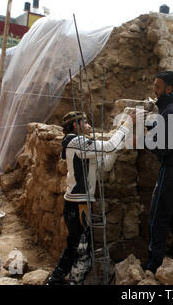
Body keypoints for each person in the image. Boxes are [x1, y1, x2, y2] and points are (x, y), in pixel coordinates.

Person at [47, 110, 136, 285]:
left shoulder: (83, 147)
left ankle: (56, 279)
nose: (88, 126)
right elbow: (109, 146)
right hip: (77, 205)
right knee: (81, 251)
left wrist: (120, 145)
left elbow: (106, 165)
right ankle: (69, 281)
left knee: (76, 246)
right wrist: (127, 124)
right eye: (85, 122)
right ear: (76, 125)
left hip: (79, 205)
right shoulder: (77, 142)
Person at [142, 71, 173, 274]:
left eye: (158, 86)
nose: (154, 90)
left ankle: (154, 262)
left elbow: (163, 147)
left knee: (158, 214)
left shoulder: (170, 112)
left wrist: (145, 140)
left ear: (169, 89)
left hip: (172, 168)